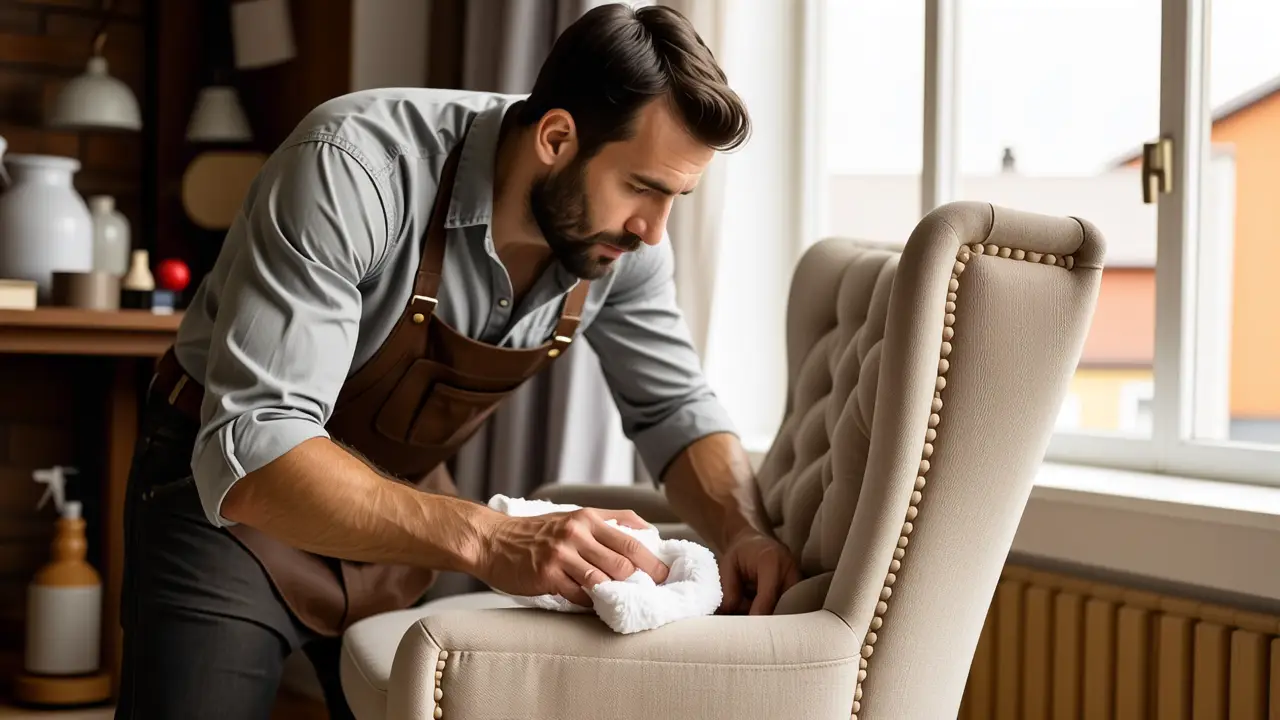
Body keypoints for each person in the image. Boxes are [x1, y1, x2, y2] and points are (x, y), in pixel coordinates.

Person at [116, 3, 801, 718]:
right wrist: (491, 538)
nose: (653, 233)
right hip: (227, 502)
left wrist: (741, 530)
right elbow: (259, 449)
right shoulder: (353, 166)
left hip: (402, 516)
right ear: (558, 138)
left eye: (677, 198)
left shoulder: (621, 245)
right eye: (643, 189)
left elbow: (675, 410)